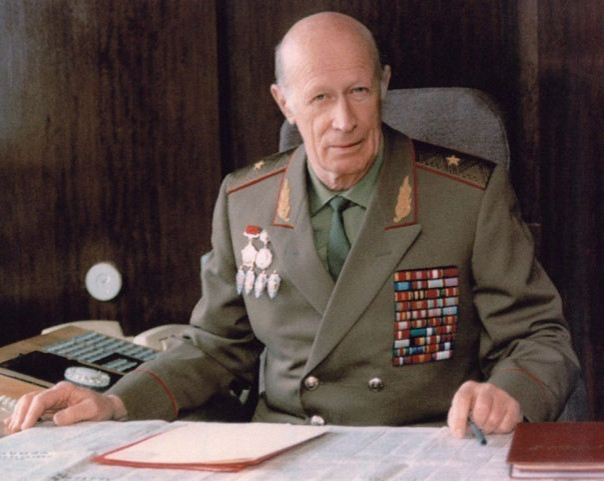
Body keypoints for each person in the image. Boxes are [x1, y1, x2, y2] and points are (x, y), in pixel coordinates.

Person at [5, 11, 580, 438]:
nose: (344, 120)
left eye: (359, 91)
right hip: (285, 450)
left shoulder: (467, 196)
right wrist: (115, 402)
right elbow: (216, 347)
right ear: (284, 103)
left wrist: (509, 394)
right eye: (320, 97)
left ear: (383, 84)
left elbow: (540, 337)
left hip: (423, 446)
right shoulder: (245, 200)